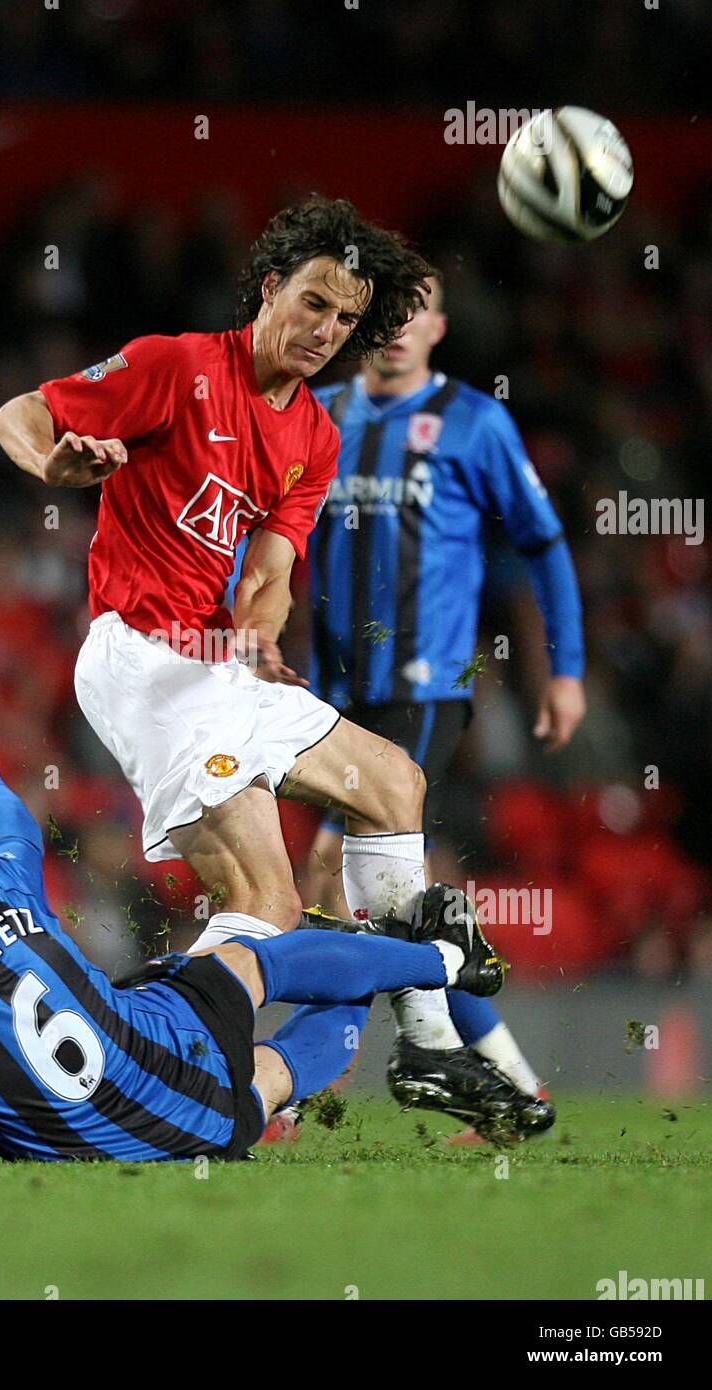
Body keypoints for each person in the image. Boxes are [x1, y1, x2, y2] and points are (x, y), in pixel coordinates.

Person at [0, 196, 533, 1133]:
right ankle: (139, 1069)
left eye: (347, 319)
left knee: (395, 783)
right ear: (272, 285)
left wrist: (260, 625)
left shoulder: (314, 437)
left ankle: (429, 1043)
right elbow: (21, 412)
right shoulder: (175, 366)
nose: (326, 331)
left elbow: (275, 566)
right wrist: (51, 468)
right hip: (145, 661)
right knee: (268, 905)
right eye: (314, 302)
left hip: (221, 664)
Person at [0, 708, 514, 1163]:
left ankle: (375, 972)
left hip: (173, 1132)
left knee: (268, 1078)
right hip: (147, 1035)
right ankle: (435, 956)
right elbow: (12, 821)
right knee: (250, 961)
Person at [301, 273, 584, 1136]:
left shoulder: (475, 422)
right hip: (335, 687)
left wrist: (564, 668)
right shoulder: (321, 411)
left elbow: (540, 539)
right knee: (389, 897)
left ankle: (314, 1080)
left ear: (439, 327)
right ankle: (509, 1084)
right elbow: (267, 517)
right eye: (380, 312)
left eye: (411, 311)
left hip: (428, 687)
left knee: (328, 869)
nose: (394, 327)